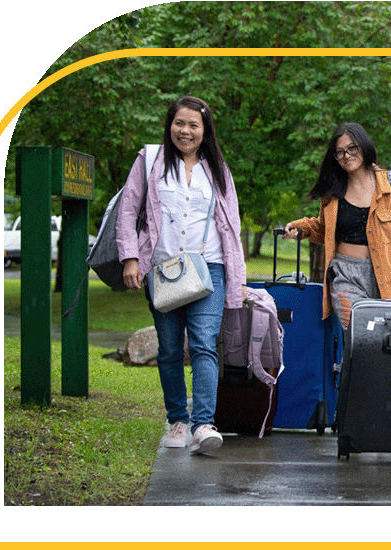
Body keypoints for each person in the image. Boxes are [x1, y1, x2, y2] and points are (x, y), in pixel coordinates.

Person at [116, 95, 247, 454]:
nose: (185, 131)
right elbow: (128, 211)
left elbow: (230, 224)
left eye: (193, 125)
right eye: (179, 123)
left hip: (210, 268)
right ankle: (177, 421)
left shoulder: (217, 168)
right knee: (171, 348)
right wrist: (130, 258)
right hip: (163, 269)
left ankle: (203, 423)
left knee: (204, 343)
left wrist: (239, 276)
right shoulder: (149, 160)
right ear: (169, 125)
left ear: (205, 132)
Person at [282, 122, 391, 329]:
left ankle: (350, 364)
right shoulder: (333, 193)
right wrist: (302, 228)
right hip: (346, 275)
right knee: (358, 335)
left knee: (386, 339)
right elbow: (325, 230)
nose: (346, 156)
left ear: (364, 146)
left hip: (388, 273)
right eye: (339, 152)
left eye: (352, 148)